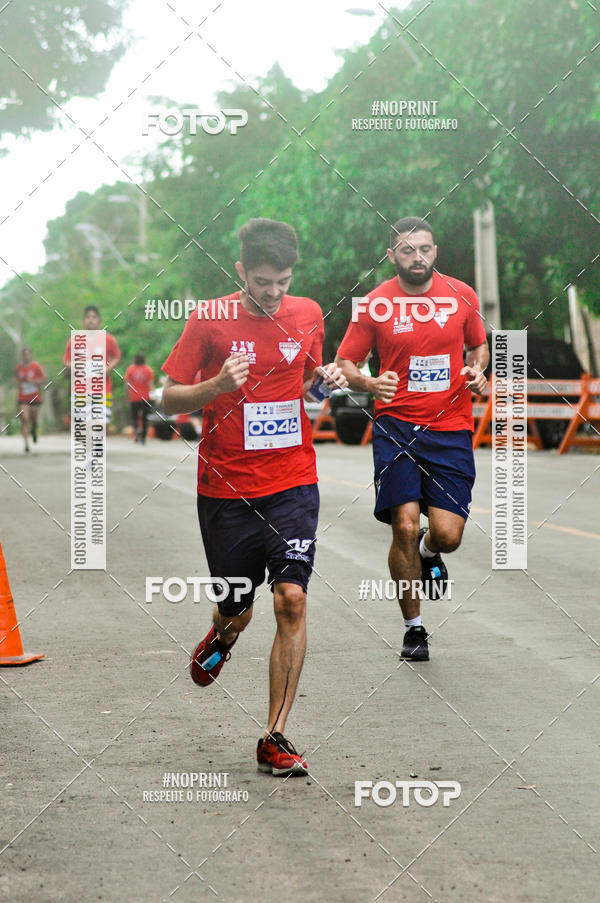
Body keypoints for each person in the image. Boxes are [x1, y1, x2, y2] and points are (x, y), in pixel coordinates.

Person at [162, 218, 346, 776]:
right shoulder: (209, 319)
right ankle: (221, 632)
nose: (273, 293)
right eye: (263, 281)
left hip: (292, 481)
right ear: (241, 270)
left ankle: (276, 736)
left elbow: (309, 381)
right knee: (237, 609)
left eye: (283, 282)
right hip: (226, 488)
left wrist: (327, 383)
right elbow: (167, 399)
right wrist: (215, 387)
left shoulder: (308, 313)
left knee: (291, 599)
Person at [336, 217, 488, 662]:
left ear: (435, 251)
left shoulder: (462, 294)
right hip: (395, 425)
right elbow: (345, 363)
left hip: (450, 427)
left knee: (448, 535)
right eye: (407, 250)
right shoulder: (376, 304)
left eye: (424, 249)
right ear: (392, 256)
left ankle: (428, 550)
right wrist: (368, 385)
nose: (416, 257)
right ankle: (414, 628)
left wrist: (478, 370)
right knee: (402, 523)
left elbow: (478, 346)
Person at [63, 305, 121, 423]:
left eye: (94, 317)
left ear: (99, 321)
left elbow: (117, 357)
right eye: (88, 317)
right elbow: (66, 361)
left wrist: (107, 369)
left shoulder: (108, 339)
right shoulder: (74, 340)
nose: (91, 320)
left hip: (103, 389)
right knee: (84, 427)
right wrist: (75, 366)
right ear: (83, 321)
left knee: (100, 425)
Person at [15, 347, 46, 453]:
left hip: (35, 397)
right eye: (24, 354)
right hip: (23, 398)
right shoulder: (19, 368)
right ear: (22, 356)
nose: (26, 356)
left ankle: (33, 430)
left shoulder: (36, 366)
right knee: (24, 418)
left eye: (28, 354)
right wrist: (19, 382)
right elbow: (16, 379)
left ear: (30, 355)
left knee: (34, 419)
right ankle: (26, 444)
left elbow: (43, 379)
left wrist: (33, 381)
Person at [124, 354, 154, 443]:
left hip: (134, 397)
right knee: (145, 417)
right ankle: (143, 437)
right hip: (145, 397)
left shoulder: (130, 369)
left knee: (134, 417)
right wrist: (153, 394)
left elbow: (127, 384)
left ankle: (136, 432)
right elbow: (151, 384)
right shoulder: (148, 370)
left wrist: (127, 395)